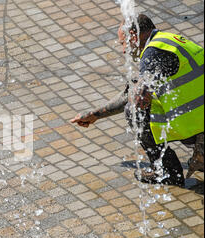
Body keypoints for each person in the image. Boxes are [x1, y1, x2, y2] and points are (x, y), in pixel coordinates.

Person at [70, 14, 204, 187]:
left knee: (135, 113)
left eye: (123, 43)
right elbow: (133, 90)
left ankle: (167, 172)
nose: (124, 51)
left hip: (199, 120)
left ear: (133, 35)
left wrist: (139, 97)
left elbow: (138, 95)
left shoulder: (153, 53)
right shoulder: (167, 41)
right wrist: (95, 115)